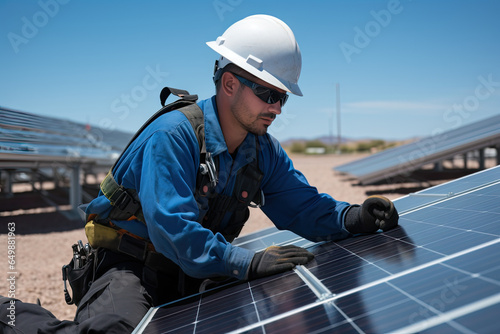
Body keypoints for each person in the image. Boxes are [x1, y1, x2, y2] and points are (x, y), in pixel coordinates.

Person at [0, 14, 398, 333]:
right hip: (130, 267)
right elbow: (173, 229)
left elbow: (302, 205)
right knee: (115, 329)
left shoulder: (262, 150)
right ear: (229, 83)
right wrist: (245, 263)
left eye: (282, 98)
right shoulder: (172, 136)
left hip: (193, 268)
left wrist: (353, 217)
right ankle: (12, 315)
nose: (277, 108)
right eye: (268, 94)